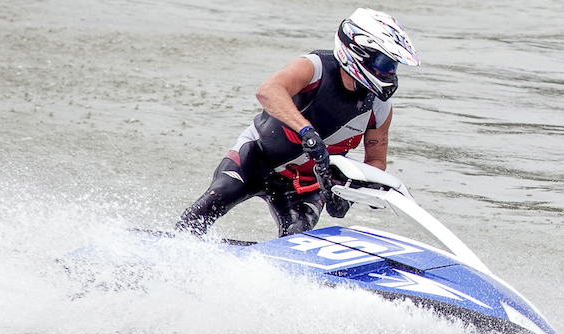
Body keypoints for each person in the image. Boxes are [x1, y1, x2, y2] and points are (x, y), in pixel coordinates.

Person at [175, 8, 420, 237]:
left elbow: (375, 161)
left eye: (394, 66)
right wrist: (306, 131)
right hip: (256, 159)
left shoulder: (379, 107)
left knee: (297, 233)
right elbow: (268, 91)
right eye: (386, 64)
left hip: (306, 186)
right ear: (358, 52)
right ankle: (169, 251)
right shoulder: (314, 67)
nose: (391, 74)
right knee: (211, 204)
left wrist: (350, 195)